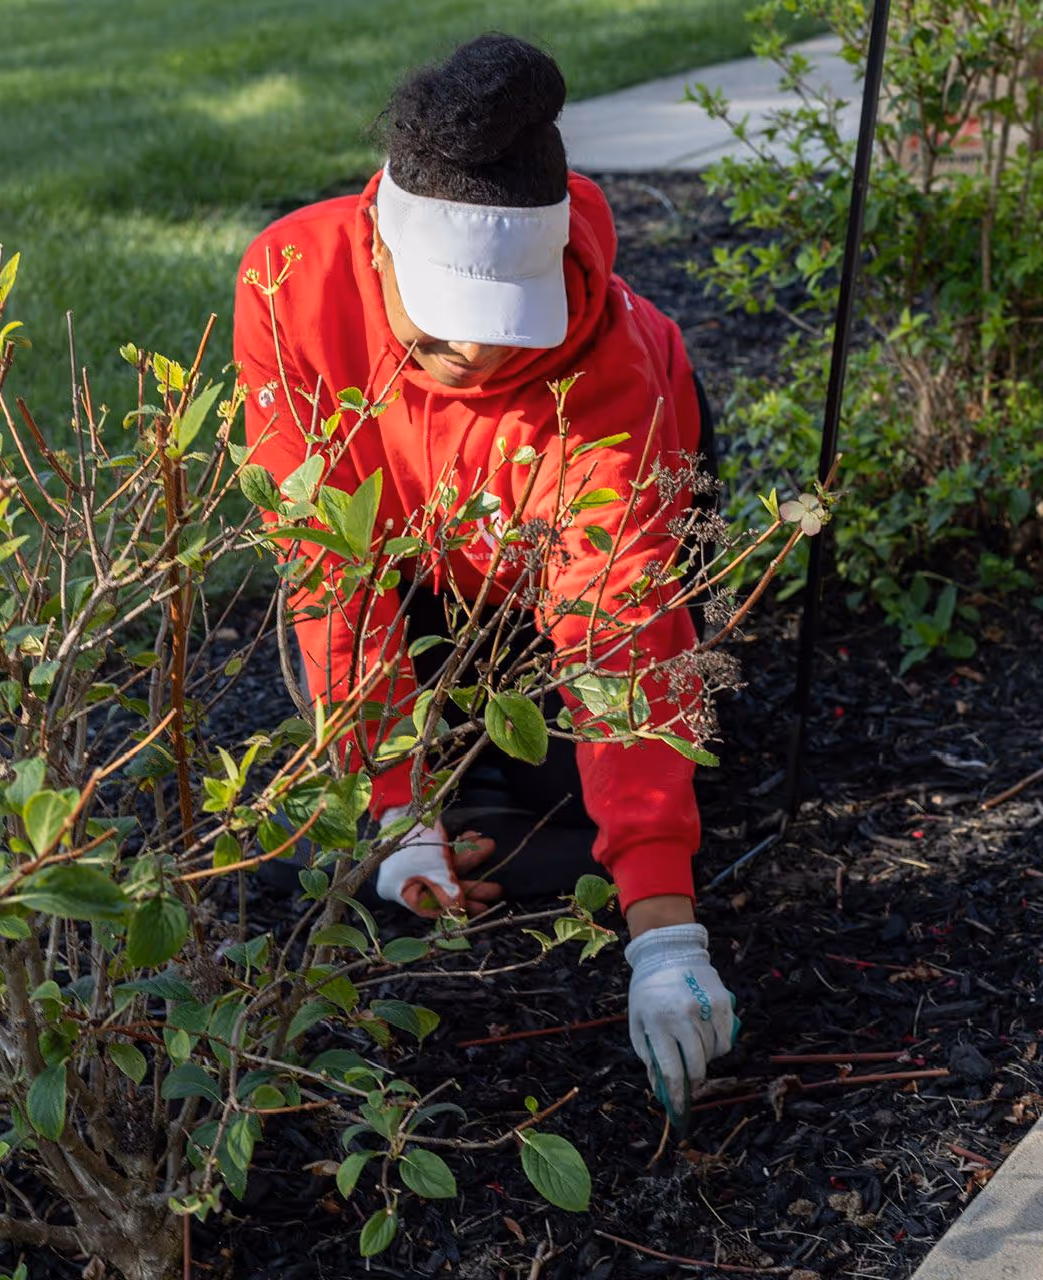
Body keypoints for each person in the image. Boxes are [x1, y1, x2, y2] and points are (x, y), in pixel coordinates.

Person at [233, 33, 737, 1123]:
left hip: (575, 550)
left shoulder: (612, 365)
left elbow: (620, 624)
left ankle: (514, 795)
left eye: (506, 329)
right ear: (379, 244)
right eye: (446, 333)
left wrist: (664, 933)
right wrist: (394, 805)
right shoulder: (289, 282)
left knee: (631, 795)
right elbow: (331, 565)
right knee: (360, 819)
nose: (479, 363)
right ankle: (443, 796)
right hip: (423, 551)